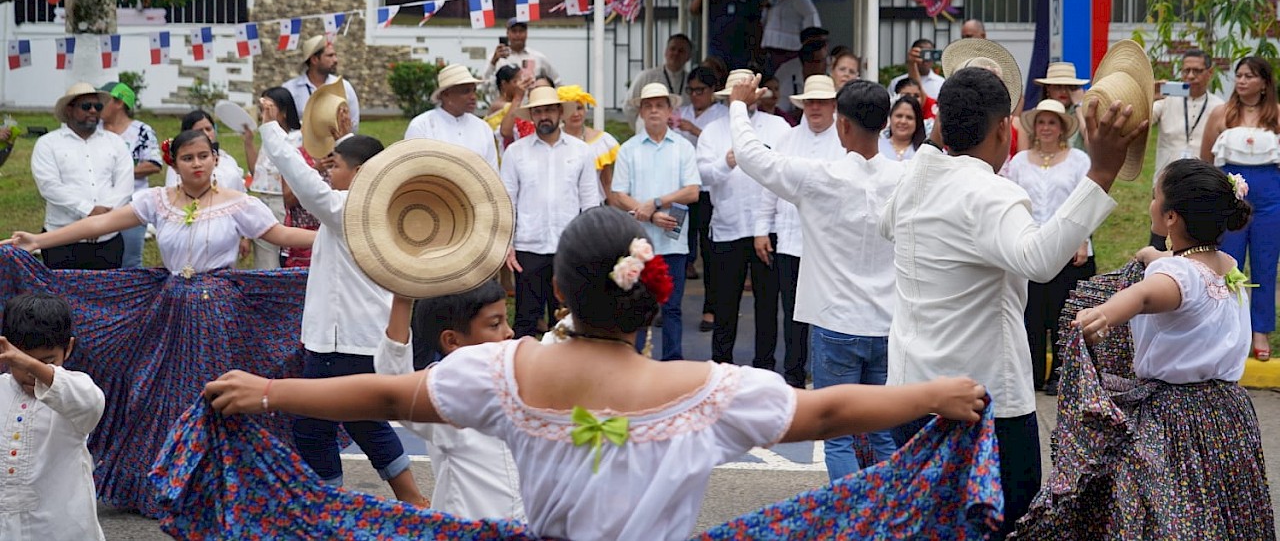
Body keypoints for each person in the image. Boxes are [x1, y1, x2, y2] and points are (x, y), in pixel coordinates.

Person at [205, 205, 990, 541]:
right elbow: (827, 412)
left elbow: (382, 392)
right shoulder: (712, 392)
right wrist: (933, 395)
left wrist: (268, 392)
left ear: (558, 291)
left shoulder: (505, 374)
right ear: (653, 296)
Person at [879, 65, 1146, 536]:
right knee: (1005, 526)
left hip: (910, 393)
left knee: (926, 525)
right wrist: (1101, 172)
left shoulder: (914, 180)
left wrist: (946, 121)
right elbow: (1039, 260)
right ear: (1004, 128)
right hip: (984, 403)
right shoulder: (991, 192)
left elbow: (886, 223)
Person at [2, 127, 314, 517]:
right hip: (169, 309)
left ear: (215, 159)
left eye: (203, 156)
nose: (197, 164)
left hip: (218, 313)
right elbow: (101, 224)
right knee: (163, 394)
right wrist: (39, 241)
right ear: (174, 163)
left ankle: (220, 487)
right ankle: (166, 485)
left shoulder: (239, 204)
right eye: (188, 158)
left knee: (216, 394)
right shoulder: (157, 201)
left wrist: (334, 239)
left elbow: (280, 234)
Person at [1015, 158, 1274, 539]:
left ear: (1170, 217)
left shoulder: (1175, 276)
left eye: (1154, 197)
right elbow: (1178, 269)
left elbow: (1145, 295)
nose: (1150, 203)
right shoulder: (1225, 265)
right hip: (1228, 413)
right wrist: (1153, 255)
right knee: (1218, 506)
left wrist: (1103, 314)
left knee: (1167, 510)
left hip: (1175, 417)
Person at [255, 97, 427, 506]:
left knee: (316, 425)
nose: (327, 172)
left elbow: (303, 181)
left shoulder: (350, 206)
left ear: (361, 173)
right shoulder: (382, 205)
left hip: (344, 339)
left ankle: (329, 504)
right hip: (357, 336)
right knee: (361, 422)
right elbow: (356, 165)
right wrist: (344, 139)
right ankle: (409, 501)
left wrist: (271, 128)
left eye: (335, 166)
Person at [732, 75, 905, 480]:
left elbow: (751, 156)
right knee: (882, 432)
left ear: (841, 125)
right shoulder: (905, 178)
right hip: (887, 324)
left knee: (838, 437)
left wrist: (739, 105)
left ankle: (851, 511)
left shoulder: (818, 177)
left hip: (835, 323)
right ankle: (888, 508)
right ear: (885, 124)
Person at [375, 282, 525, 520]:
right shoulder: (445, 397)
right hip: (467, 530)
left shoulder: (521, 381)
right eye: (495, 324)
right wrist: (402, 298)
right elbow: (394, 381)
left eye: (506, 321)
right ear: (452, 341)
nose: (509, 332)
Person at [754, 74, 843, 390]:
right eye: (810, 102)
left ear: (833, 105)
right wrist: (761, 230)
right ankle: (793, 374)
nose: (815, 108)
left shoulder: (845, 140)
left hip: (830, 244)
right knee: (793, 312)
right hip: (790, 240)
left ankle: (826, 375)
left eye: (822, 102)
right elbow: (769, 187)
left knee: (829, 311)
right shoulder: (787, 139)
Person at [697, 69, 790, 370]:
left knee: (767, 305)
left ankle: (765, 367)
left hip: (769, 228)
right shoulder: (712, 131)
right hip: (728, 227)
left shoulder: (778, 127)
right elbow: (702, 176)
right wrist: (725, 163)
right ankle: (721, 367)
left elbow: (787, 170)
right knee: (725, 304)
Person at [1003, 99, 1093, 396]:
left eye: (1052, 122)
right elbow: (1011, 200)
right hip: (1028, 244)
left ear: (1062, 128)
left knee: (1062, 313)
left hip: (1067, 246)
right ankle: (1032, 373)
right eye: (1041, 122)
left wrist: (1082, 240)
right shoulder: (1019, 161)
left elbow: (1085, 201)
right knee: (1031, 314)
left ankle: (1061, 374)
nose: (1046, 128)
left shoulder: (1078, 160)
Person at [0, 293, 105, 541]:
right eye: (21, 362)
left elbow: (92, 402)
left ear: (68, 348)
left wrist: (28, 363)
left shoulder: (74, 392)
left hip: (62, 527)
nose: (32, 373)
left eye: (46, 362)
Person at [502, 86, 601, 339]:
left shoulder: (581, 151)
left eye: (549, 110)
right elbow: (507, 202)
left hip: (568, 248)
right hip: (528, 247)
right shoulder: (516, 152)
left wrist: (588, 248)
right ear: (531, 116)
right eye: (538, 111)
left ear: (559, 112)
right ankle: (523, 366)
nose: (544, 116)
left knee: (567, 323)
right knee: (525, 320)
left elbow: (590, 203)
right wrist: (507, 244)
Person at [611, 83, 700, 360]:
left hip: (674, 241)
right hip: (639, 243)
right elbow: (618, 195)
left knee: (672, 307)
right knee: (638, 307)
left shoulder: (683, 147)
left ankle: (672, 362)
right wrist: (649, 213)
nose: (653, 111)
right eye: (648, 106)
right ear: (640, 111)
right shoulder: (629, 149)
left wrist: (658, 202)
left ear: (670, 110)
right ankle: (636, 362)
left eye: (659, 105)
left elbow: (692, 192)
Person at [1199, 55, 1280, 361]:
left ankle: (1260, 331)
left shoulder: (1277, 115)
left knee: (1265, 265)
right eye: (1239, 75)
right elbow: (1205, 160)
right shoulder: (1221, 114)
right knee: (1226, 263)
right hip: (1230, 198)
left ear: (1264, 83)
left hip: (1270, 200)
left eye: (1250, 76)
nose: (1242, 81)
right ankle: (1225, 328)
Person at [30, 83, 133, 270]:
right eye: (86, 106)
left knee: (106, 288)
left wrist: (102, 222)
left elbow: (124, 187)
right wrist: (88, 212)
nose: (93, 111)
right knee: (61, 289)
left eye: (98, 107)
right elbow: (49, 186)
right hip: (61, 239)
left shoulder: (115, 143)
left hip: (107, 239)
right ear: (69, 110)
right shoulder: (47, 144)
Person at [1148, 49, 1222, 247]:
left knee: (1196, 244)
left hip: (1200, 185)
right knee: (1159, 242)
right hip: (1166, 183)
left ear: (1210, 72)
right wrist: (1149, 96)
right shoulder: (1166, 100)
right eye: (1186, 70)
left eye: (1197, 71)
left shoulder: (1219, 107)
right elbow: (1141, 121)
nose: (1190, 76)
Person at [672, 66, 726, 289]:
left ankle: (711, 295)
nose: (695, 96)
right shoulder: (681, 112)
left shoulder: (722, 114)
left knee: (705, 236)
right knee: (675, 233)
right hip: (680, 186)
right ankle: (680, 268)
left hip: (706, 187)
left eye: (700, 90)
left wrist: (694, 130)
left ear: (712, 90)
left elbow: (723, 145)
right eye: (691, 90)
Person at [99, 81, 162, 269]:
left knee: (130, 261)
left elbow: (154, 164)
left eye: (103, 100)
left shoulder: (141, 131)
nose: (96, 106)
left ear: (119, 103)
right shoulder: (94, 130)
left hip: (132, 205)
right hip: (99, 205)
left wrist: (120, 172)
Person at [241, 87, 304, 270]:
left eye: (269, 108)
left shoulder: (297, 138)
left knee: (287, 254)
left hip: (284, 202)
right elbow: (257, 172)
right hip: (263, 199)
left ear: (284, 112)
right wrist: (248, 143)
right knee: (265, 258)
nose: (264, 113)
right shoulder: (268, 135)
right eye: (262, 109)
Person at [404, 63, 499, 171]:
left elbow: (492, 173)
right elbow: (412, 169)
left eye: (474, 90)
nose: (473, 97)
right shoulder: (422, 126)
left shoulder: (483, 128)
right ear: (446, 95)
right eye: (465, 91)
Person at [283, 35, 361, 131]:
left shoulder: (344, 87)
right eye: (330, 56)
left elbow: (353, 124)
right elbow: (284, 126)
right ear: (314, 59)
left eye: (335, 55)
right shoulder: (290, 89)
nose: (335, 60)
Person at [558, 84, 620, 199]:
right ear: (561, 113)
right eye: (570, 110)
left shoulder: (601, 141)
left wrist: (612, 208)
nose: (576, 114)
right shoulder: (553, 141)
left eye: (579, 108)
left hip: (595, 206)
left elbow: (607, 182)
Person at [165, 110, 246, 193]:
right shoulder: (181, 163)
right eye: (199, 131)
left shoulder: (228, 159)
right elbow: (174, 191)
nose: (206, 134)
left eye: (208, 129)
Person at [623, 33, 693, 128]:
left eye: (681, 51)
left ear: (688, 57)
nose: (676, 53)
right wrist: (641, 126)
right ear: (666, 52)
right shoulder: (646, 76)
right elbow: (629, 106)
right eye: (672, 49)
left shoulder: (691, 81)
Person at [1023, 62, 1090, 151]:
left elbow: (1091, 142)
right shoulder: (1036, 113)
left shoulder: (1083, 113)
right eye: (1058, 87)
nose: (1063, 91)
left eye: (1069, 87)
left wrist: (1078, 105)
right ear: (1048, 88)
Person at [482, 18, 560, 94]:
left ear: (526, 33)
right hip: (505, 102)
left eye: (521, 31)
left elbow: (557, 83)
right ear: (507, 33)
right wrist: (493, 62)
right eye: (514, 31)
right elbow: (484, 88)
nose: (518, 35)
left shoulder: (538, 58)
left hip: (532, 101)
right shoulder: (496, 58)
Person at [772, 27, 830, 122]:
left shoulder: (833, 71)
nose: (826, 64)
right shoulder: (786, 73)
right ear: (808, 63)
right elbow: (778, 112)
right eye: (820, 61)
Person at [762, 0, 821, 73]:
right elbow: (763, 20)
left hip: (792, 50)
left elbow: (812, 19)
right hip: (771, 49)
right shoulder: (773, 0)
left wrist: (810, 41)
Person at [485, 64, 536, 150]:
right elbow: (506, 132)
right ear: (504, 84)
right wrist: (518, 97)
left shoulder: (515, 105)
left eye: (521, 79)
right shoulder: (499, 105)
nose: (520, 84)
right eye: (515, 81)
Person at [878, 95, 925, 162]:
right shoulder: (876, 147)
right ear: (890, 118)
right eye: (899, 116)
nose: (903, 121)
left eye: (909, 117)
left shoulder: (923, 152)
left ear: (917, 122)